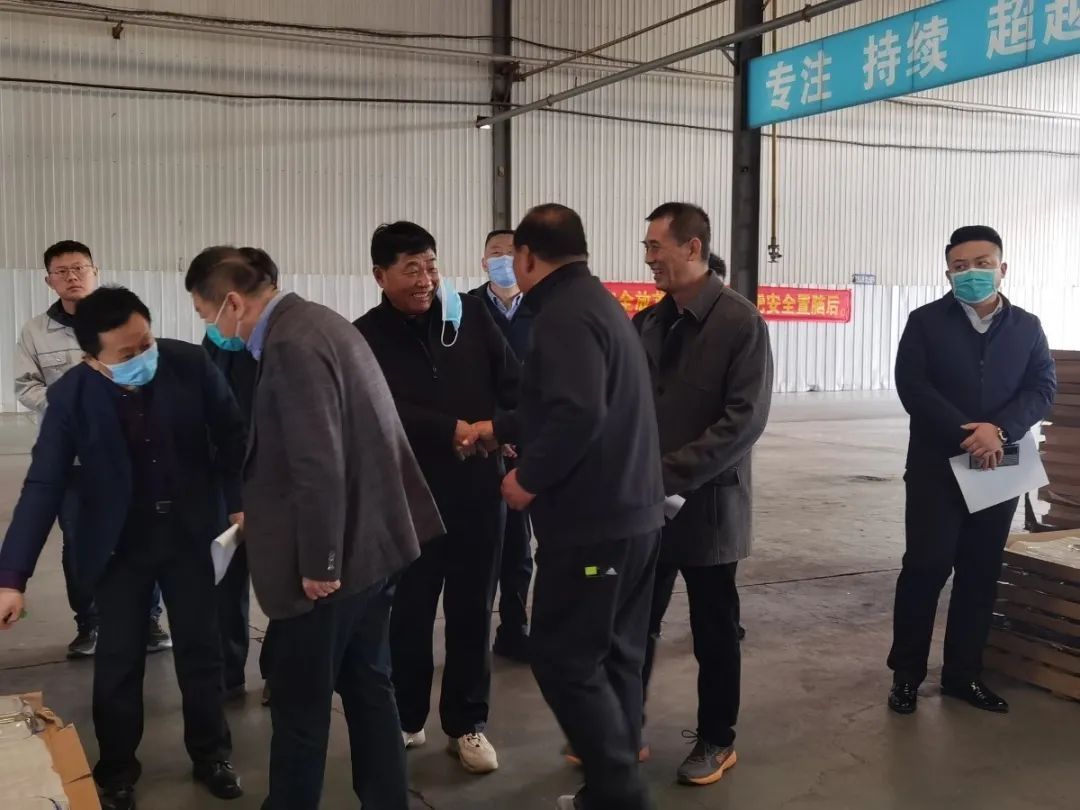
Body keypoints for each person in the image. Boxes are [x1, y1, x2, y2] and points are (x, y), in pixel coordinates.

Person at [185, 249, 443, 810]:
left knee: (300, 700)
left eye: (207, 315)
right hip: (373, 544)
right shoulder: (316, 321)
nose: (213, 329)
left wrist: (319, 563)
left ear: (233, 303)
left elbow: (319, 463)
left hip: (336, 562)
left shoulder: (292, 346)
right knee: (368, 684)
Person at [0, 286, 245, 810]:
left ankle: (212, 755)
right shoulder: (71, 396)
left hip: (190, 534)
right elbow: (44, 484)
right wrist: (11, 578)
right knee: (118, 660)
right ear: (93, 358)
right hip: (119, 544)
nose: (143, 358)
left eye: (146, 343)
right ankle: (116, 770)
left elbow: (233, 435)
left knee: (202, 652)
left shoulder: (189, 363)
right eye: (127, 354)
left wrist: (239, 503)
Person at [483, 204, 664, 810]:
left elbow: (577, 412)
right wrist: (498, 427)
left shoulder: (561, 316)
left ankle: (621, 793)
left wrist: (527, 479)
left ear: (528, 256)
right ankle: (612, 788)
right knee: (615, 654)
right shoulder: (597, 303)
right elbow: (561, 400)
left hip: (593, 527)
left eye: (512, 256)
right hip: (634, 517)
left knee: (564, 658)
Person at [355, 221, 519, 776]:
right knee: (410, 612)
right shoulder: (366, 336)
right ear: (380, 275)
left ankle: (467, 723)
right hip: (410, 496)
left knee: (473, 610)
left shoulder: (468, 316)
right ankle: (406, 717)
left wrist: (499, 427)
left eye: (430, 266)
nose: (425, 279)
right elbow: (374, 410)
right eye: (410, 269)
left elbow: (512, 381)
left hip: (478, 490)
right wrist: (447, 428)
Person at [888, 225, 1056, 715]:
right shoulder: (925, 322)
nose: (972, 274)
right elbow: (912, 386)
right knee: (925, 568)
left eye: (982, 264)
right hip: (936, 465)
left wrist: (999, 431)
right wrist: (970, 433)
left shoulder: (1027, 327)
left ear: (1002, 269)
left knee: (980, 573)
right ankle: (906, 676)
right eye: (960, 267)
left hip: (999, 463)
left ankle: (964, 675)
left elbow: (1042, 388)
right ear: (948, 274)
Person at [635, 203, 773, 786]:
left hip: (709, 506)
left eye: (656, 246)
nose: (648, 258)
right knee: (635, 620)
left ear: (693, 248)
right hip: (646, 506)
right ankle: (623, 725)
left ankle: (717, 738)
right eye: (647, 247)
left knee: (714, 629)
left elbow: (743, 421)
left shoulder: (740, 322)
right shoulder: (648, 322)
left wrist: (666, 474)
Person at [14, 241, 170, 658]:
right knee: (79, 541)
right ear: (49, 280)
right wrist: (72, 408)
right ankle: (90, 624)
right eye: (62, 271)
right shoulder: (35, 332)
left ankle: (149, 620)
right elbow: (26, 386)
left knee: (141, 531)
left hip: (131, 452)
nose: (72, 276)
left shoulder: (125, 318)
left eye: (79, 268)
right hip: (74, 459)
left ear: (95, 271)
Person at [191, 247, 279, 704]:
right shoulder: (213, 346)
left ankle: (279, 674)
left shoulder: (277, 350)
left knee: (280, 587)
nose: (209, 319)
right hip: (220, 488)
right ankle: (227, 675)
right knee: (224, 585)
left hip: (269, 487)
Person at [468, 228, 536, 663]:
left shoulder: (543, 308)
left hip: (534, 442)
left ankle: (515, 628)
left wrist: (520, 432)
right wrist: (496, 429)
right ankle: (474, 633)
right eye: (496, 253)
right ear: (483, 261)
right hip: (486, 443)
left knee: (522, 548)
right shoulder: (464, 309)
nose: (504, 260)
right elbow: (464, 378)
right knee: (487, 544)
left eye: (511, 253)